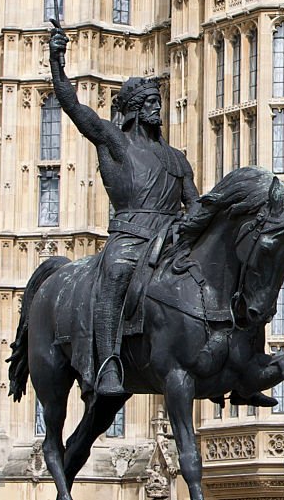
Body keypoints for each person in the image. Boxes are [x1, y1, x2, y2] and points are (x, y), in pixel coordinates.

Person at [48, 27, 200, 396]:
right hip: (130, 239)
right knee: (114, 276)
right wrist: (57, 62)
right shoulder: (116, 142)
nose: (156, 108)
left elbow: (193, 204)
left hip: (170, 241)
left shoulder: (176, 158)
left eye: (157, 102)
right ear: (133, 109)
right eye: (149, 103)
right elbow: (73, 106)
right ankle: (107, 364)